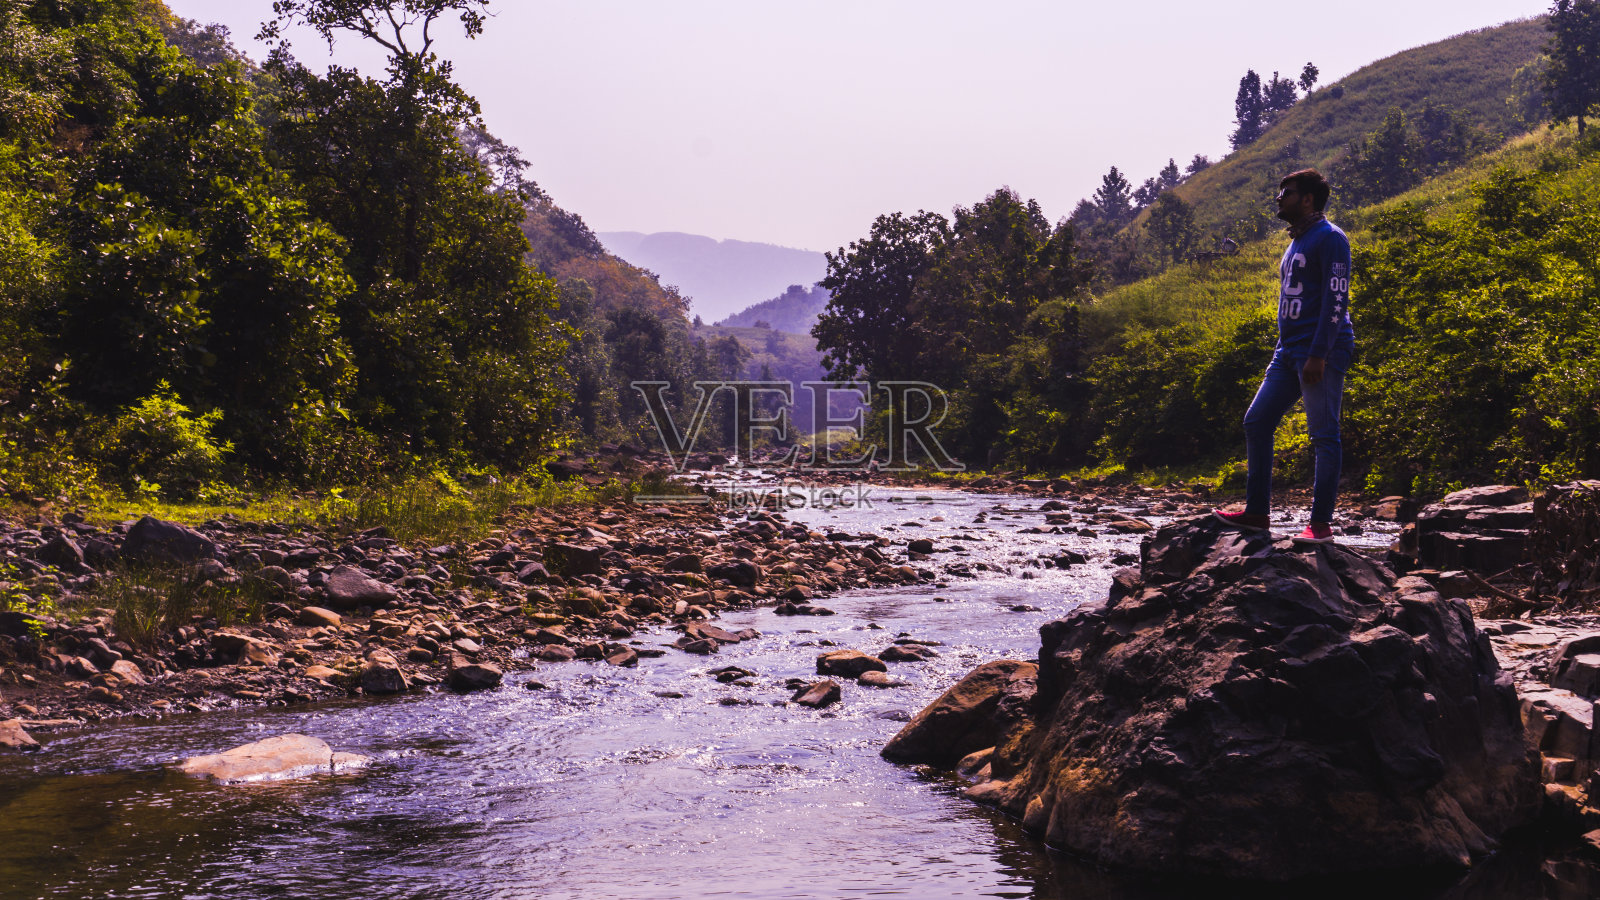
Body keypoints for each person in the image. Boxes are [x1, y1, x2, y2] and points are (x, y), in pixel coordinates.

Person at [1215, 169, 1353, 544]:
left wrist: (1318, 354)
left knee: (1324, 435)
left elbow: (1336, 298)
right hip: (1288, 350)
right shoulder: (1297, 241)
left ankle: (1320, 526)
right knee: (1257, 421)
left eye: (1286, 193)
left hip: (1320, 350)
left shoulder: (1331, 238)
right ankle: (1257, 513)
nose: (1279, 199)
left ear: (1307, 199)